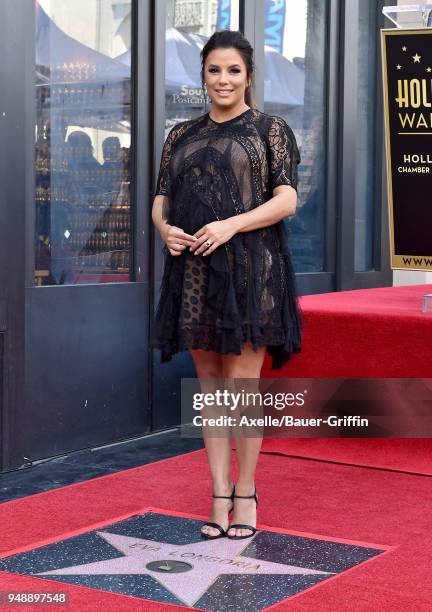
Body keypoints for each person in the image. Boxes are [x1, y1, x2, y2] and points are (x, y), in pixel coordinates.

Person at [151, 30, 302, 540]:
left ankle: (246, 493)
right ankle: (218, 495)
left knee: (242, 391)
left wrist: (231, 224)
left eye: (233, 70)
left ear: (248, 76)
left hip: (252, 270)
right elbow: (161, 197)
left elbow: (286, 200)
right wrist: (165, 229)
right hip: (194, 271)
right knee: (211, 394)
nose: (223, 79)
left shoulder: (269, 130)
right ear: (203, 76)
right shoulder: (180, 135)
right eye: (214, 70)